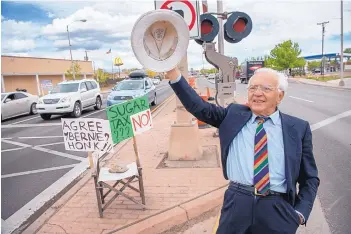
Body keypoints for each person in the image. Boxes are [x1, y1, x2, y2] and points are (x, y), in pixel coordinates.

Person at [166, 67, 319, 234]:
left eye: (266, 88)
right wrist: (173, 73)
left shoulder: (298, 128)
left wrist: (299, 214)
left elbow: (309, 178)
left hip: (277, 209)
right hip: (237, 203)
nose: (257, 93)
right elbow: (198, 106)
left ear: (280, 96)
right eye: (253, 88)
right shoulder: (233, 115)